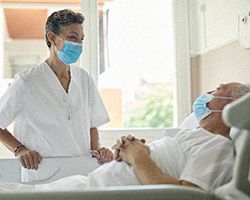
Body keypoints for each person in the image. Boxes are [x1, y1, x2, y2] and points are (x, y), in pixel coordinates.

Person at [0, 9, 113, 172]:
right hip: (41, 174)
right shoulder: (26, 82)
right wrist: (20, 150)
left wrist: (97, 150)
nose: (78, 45)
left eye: (81, 39)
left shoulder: (84, 79)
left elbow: (92, 124)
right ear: (52, 37)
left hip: (81, 172)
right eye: (73, 37)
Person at [87, 82, 250, 191]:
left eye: (218, 89)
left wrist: (137, 156)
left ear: (231, 105)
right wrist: (130, 149)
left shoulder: (217, 145)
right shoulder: (193, 134)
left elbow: (185, 195)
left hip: (96, 191)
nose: (208, 93)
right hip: (92, 184)